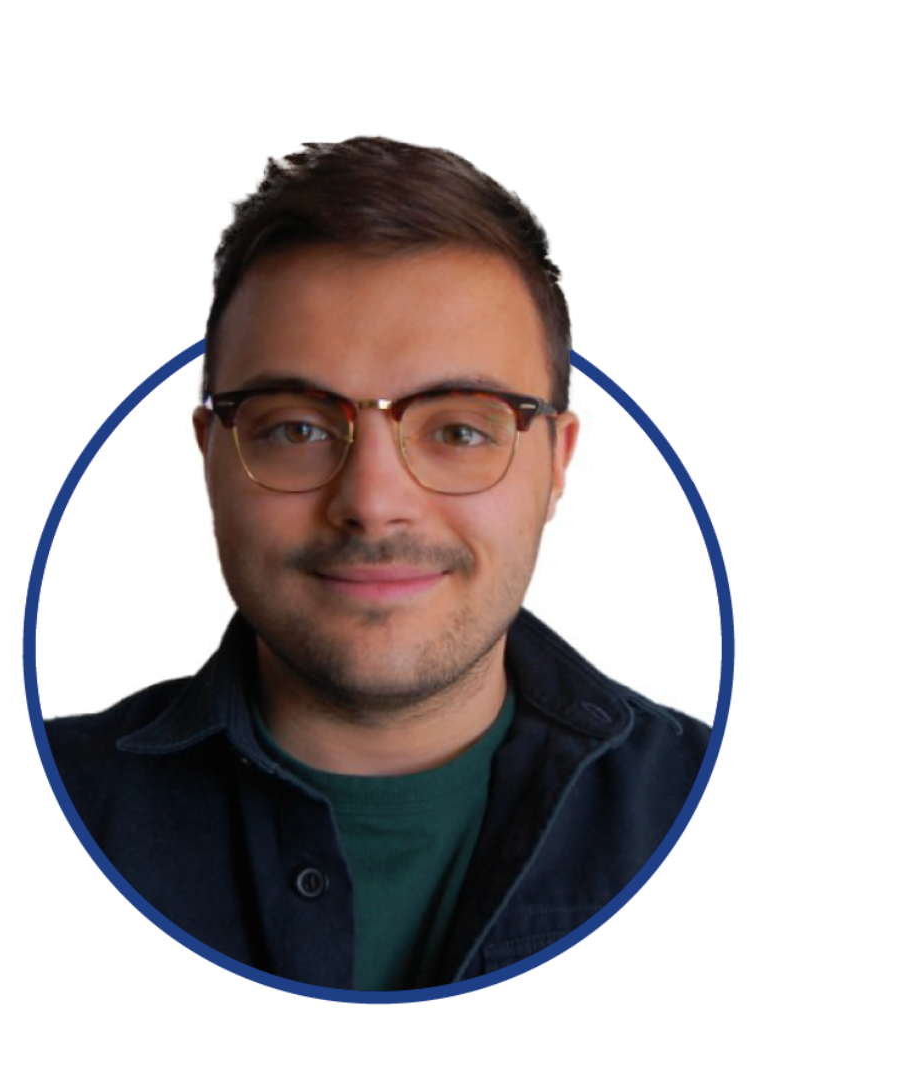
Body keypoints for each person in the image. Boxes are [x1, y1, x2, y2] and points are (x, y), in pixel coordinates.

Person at [46, 135, 711, 992]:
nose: (372, 500)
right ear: (212, 457)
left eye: (461, 429)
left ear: (557, 465)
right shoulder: (53, 804)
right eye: (296, 427)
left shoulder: (734, 824)